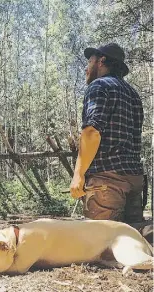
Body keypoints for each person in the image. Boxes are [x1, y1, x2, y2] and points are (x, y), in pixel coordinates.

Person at [70, 43, 151, 230]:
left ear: (101, 61)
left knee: (100, 244)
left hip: (106, 182)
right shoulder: (133, 94)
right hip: (134, 179)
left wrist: (78, 174)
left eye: (89, 61)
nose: (86, 67)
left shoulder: (99, 86)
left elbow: (92, 131)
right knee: (135, 241)